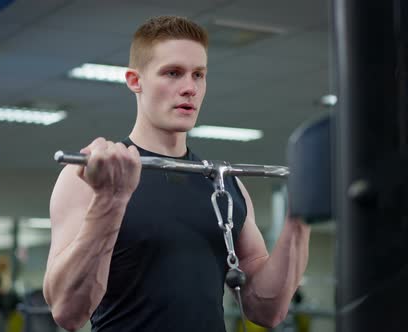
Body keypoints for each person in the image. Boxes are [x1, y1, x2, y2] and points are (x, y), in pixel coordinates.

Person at [43, 15, 311, 332]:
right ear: (134, 80)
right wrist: (110, 199)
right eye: (173, 73)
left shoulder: (225, 186)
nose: (189, 88)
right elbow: (67, 311)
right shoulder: (90, 176)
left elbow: (266, 310)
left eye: (199, 75)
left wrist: (303, 210)